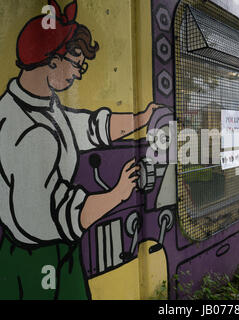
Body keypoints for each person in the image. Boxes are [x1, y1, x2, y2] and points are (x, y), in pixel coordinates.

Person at [0, 0, 159, 299]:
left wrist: (140, 119)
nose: (79, 73)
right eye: (76, 63)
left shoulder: (33, 105)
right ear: (51, 60)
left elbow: (86, 126)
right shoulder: (31, 133)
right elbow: (53, 216)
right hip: (40, 259)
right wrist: (118, 194)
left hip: (48, 253)